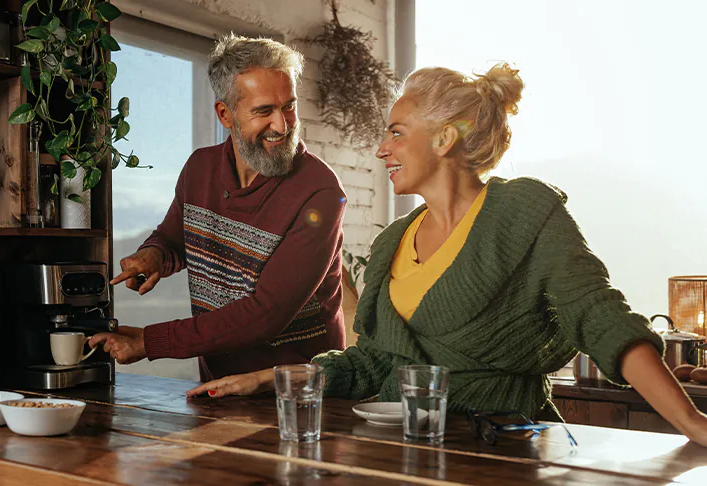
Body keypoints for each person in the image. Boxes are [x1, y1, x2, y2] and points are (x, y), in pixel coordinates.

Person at [186, 63, 707, 446]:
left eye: (396, 133)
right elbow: (372, 362)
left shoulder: (524, 212)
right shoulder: (394, 240)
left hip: (502, 447)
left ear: (443, 139)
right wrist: (272, 378)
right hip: (399, 447)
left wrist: (693, 425)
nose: (382, 149)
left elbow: (602, 318)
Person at [90, 34, 347, 381]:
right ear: (225, 114)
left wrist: (149, 342)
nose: (283, 125)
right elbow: (175, 237)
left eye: (289, 106)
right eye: (264, 111)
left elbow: (266, 314)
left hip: (298, 394)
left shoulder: (320, 191)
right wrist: (155, 255)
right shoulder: (200, 168)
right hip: (217, 387)